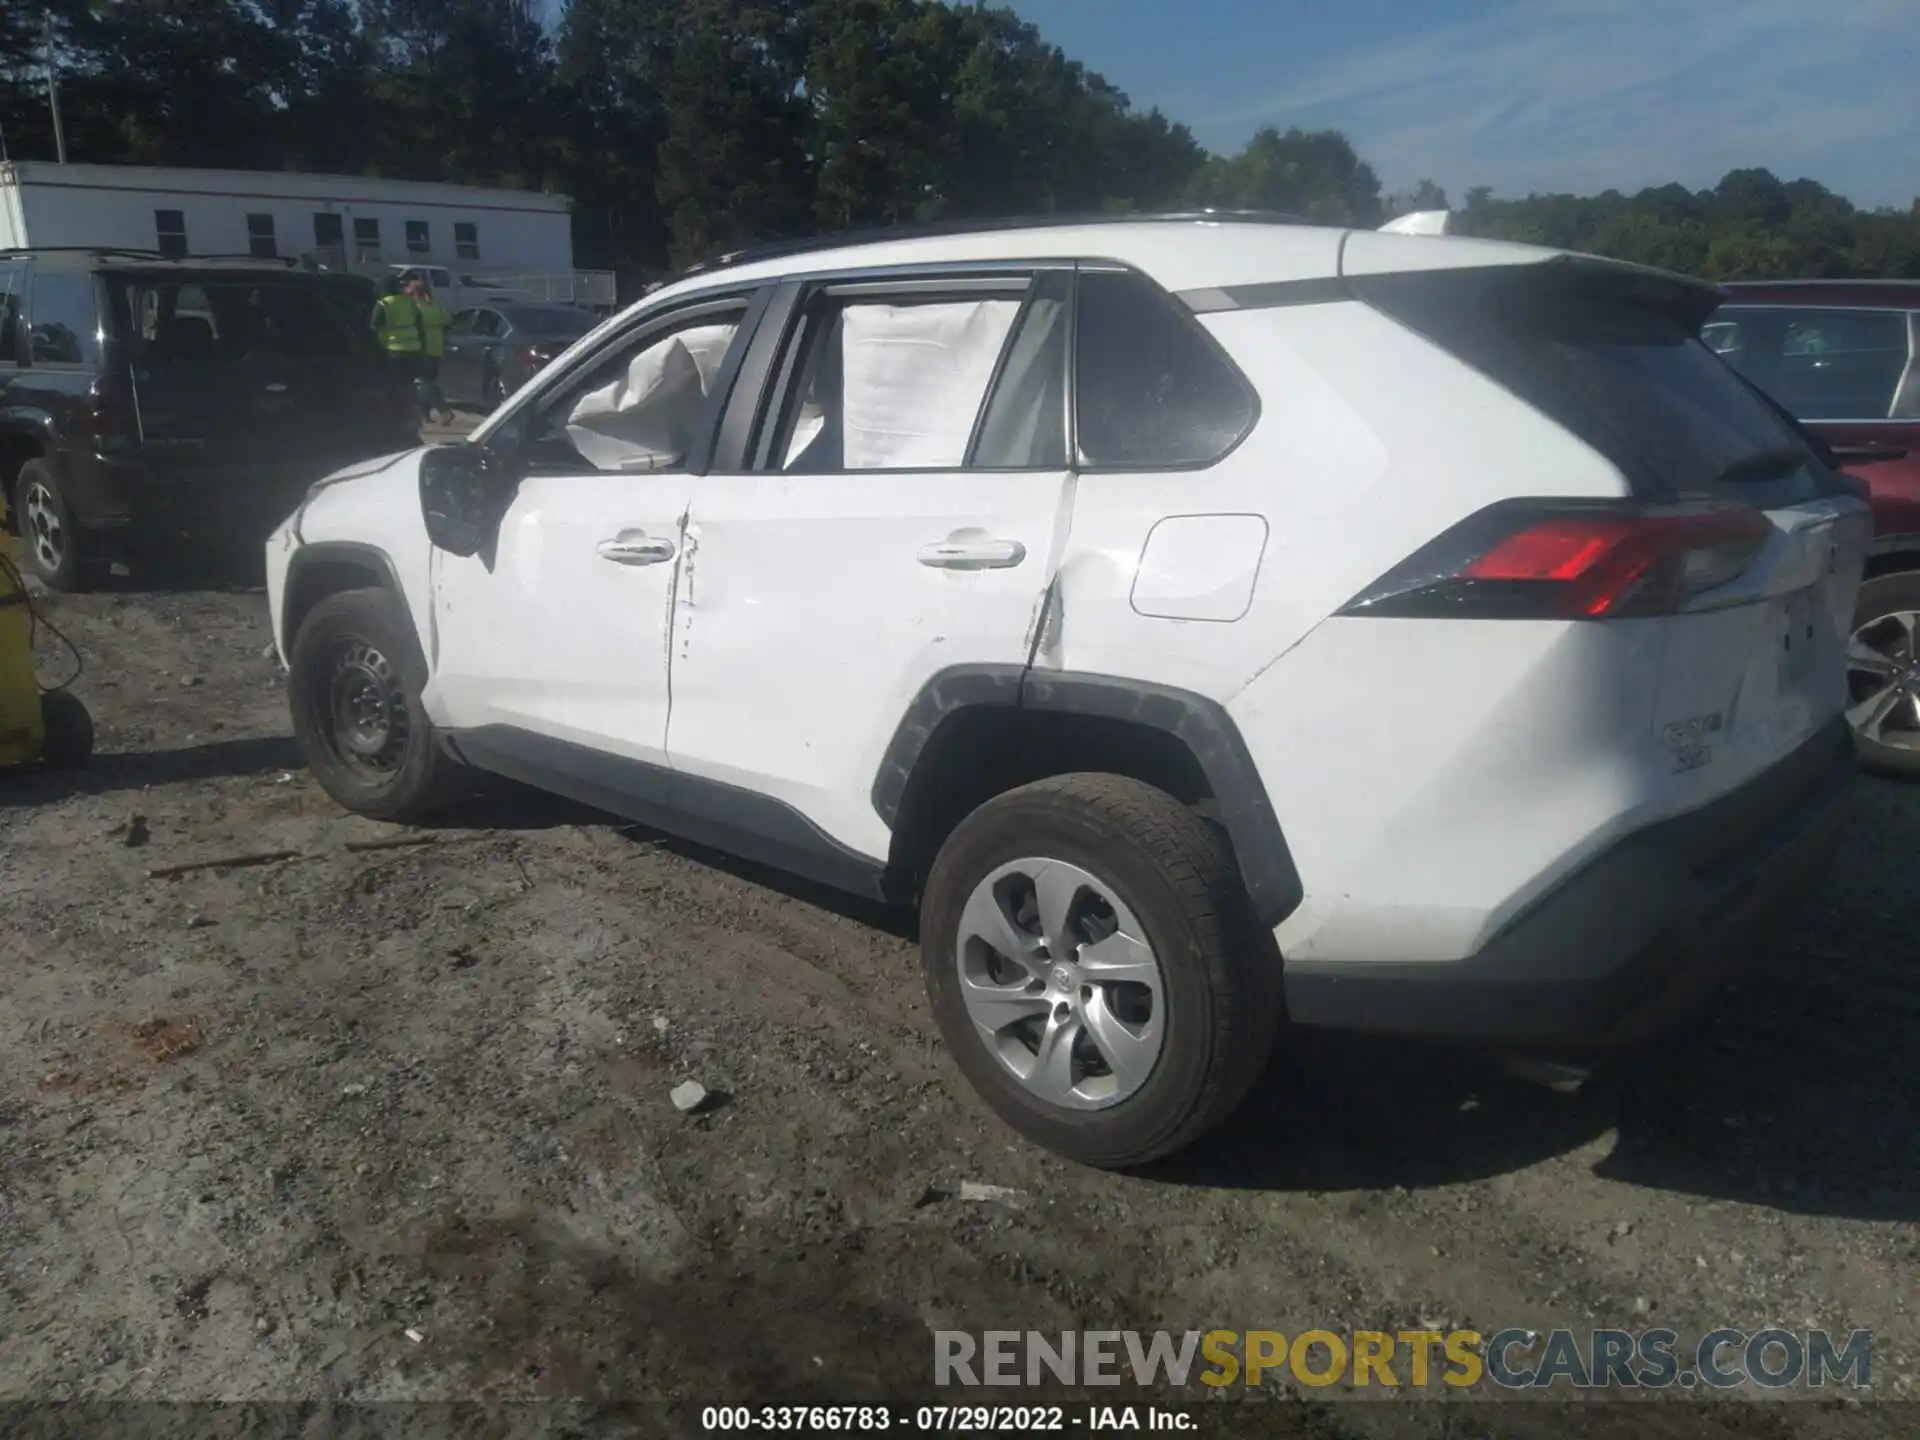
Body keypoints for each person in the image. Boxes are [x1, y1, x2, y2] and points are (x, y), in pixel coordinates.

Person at [409, 279, 453, 423]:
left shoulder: (415, 308)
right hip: (437, 348)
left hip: (422, 348)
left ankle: (444, 410)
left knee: (426, 383)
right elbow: (448, 320)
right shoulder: (436, 305)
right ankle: (425, 414)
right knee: (425, 382)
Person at [370, 275, 424, 388]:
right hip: (414, 349)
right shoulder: (409, 303)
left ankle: (398, 403)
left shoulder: (383, 304)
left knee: (395, 383)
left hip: (393, 350)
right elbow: (419, 323)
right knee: (410, 382)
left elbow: (374, 327)